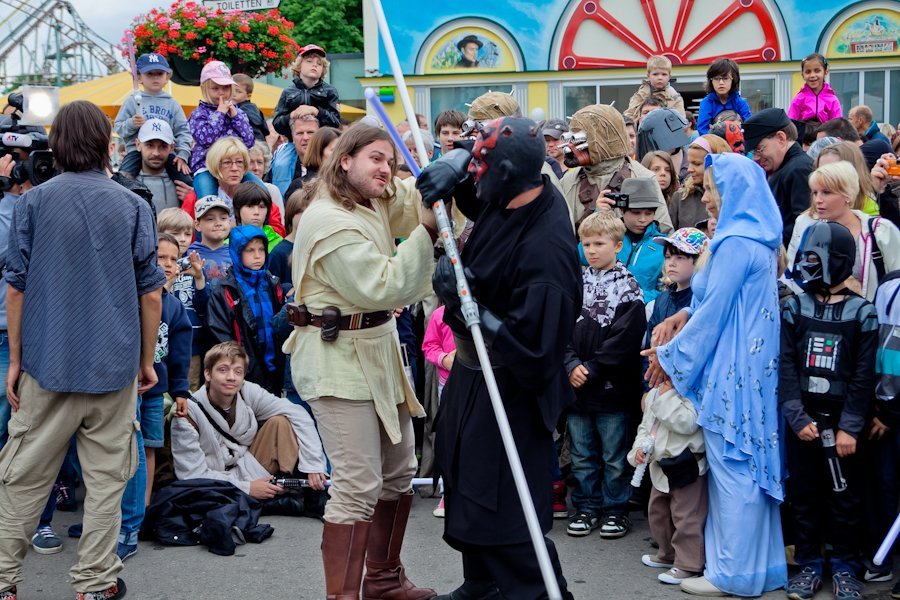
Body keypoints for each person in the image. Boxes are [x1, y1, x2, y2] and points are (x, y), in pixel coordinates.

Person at [0, 100, 166, 600]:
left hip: (47, 363)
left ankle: (3, 581)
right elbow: (151, 293)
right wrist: (144, 361)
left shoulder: (32, 202)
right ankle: (94, 583)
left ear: (57, 144)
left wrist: (17, 359)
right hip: (113, 365)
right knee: (107, 482)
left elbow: (16, 288)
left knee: (22, 479)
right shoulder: (133, 204)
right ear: (104, 144)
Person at [418, 115, 579, 600]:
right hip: (473, 371)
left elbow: (537, 350)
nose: (474, 177)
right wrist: (456, 160)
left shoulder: (546, 250)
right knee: (466, 477)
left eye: (481, 167)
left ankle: (537, 591)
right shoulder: (512, 193)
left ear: (507, 173)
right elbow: (480, 189)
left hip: (511, 381)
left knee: (503, 498)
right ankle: (483, 582)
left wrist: (466, 305)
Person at [283, 125, 438, 599]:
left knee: (397, 473)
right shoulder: (327, 219)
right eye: (375, 158)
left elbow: (408, 200)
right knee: (357, 484)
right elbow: (383, 285)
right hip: (337, 359)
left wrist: (440, 180)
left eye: (390, 160)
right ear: (345, 159)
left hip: (379, 350)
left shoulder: (367, 199)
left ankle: (384, 581)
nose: (385, 169)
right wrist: (430, 228)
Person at [643, 153, 787, 597]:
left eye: (710, 189)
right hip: (748, 363)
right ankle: (758, 567)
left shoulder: (734, 243)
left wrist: (669, 358)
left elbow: (715, 314)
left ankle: (731, 574)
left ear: (732, 193)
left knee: (733, 468)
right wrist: (682, 314)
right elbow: (711, 304)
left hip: (733, 366)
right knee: (747, 466)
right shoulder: (754, 239)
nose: (704, 197)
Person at [780, 220, 877, 600]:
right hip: (803, 422)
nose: (807, 266)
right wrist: (796, 415)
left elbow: (864, 376)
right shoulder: (795, 308)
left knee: (845, 498)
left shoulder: (862, 313)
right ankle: (808, 564)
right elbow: (786, 365)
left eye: (814, 258)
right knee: (803, 494)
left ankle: (845, 567)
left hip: (843, 427)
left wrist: (850, 427)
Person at [564, 211, 646, 540]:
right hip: (577, 389)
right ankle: (587, 506)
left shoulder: (629, 288)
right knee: (582, 454)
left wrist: (593, 369)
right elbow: (560, 327)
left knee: (614, 455)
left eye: (599, 243)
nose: (592, 250)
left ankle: (616, 508)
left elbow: (625, 339)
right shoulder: (574, 283)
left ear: (618, 245)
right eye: (586, 244)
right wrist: (570, 364)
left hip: (612, 388)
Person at [115, 233, 193, 562]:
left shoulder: (174, 308)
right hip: (125, 389)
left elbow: (180, 356)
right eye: (161, 257)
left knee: (148, 448)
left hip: (155, 391)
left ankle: (142, 513)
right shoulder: (130, 299)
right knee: (119, 450)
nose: (167, 264)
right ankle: (111, 517)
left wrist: (181, 391)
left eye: (173, 259)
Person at [171, 341, 327, 501]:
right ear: (208, 374)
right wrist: (247, 488)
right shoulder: (188, 412)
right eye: (223, 370)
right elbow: (191, 475)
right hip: (214, 485)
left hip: (249, 466)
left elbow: (297, 413)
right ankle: (269, 496)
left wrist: (313, 465)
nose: (231, 377)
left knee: (280, 422)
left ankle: (287, 485)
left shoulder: (247, 391)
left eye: (238, 372)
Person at [628, 378, 708, 586]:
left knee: (686, 517)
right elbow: (645, 427)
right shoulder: (654, 392)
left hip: (686, 464)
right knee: (658, 512)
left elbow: (687, 423)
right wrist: (638, 450)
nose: (651, 368)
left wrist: (666, 394)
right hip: (659, 465)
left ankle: (689, 563)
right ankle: (667, 553)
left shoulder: (692, 389)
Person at [786, 161, 900, 301]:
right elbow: (791, 276)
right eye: (814, 192)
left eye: (826, 192)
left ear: (848, 195)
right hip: (815, 313)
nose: (818, 200)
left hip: (870, 312)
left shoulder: (880, 230)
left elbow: (897, 283)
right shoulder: (805, 224)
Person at [560, 104, 672, 233]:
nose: (573, 146)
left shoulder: (643, 177)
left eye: (582, 139)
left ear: (606, 138)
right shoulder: (568, 182)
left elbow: (663, 232)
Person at [207, 225, 285, 395]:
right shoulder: (226, 290)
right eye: (250, 250)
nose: (257, 256)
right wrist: (239, 366)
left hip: (275, 367)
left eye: (261, 249)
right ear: (237, 253)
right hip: (245, 371)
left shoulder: (272, 284)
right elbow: (221, 335)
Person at [113, 53, 192, 182]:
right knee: (123, 181)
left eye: (159, 73)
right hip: (136, 152)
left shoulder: (172, 103)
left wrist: (183, 154)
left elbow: (183, 131)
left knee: (187, 181)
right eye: (149, 74)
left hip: (166, 152)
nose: (155, 77)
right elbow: (118, 128)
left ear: (167, 77)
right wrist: (132, 123)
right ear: (138, 77)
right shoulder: (131, 101)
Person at [182, 137, 285, 235]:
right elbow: (184, 231)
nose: (235, 168)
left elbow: (278, 231)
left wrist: (247, 230)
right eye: (227, 162)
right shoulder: (196, 198)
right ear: (215, 165)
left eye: (239, 162)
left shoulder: (257, 194)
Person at [743, 107, 814, 245]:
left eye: (759, 149)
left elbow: (803, 227)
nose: (755, 158)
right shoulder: (785, 167)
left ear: (781, 138)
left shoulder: (799, 169)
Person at [157, 207, 209, 393]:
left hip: (191, 344)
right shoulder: (156, 266)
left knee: (188, 390)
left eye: (187, 234)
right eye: (175, 233)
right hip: (160, 342)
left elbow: (204, 307)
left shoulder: (194, 264)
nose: (182, 239)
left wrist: (199, 278)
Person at [188, 61, 258, 198]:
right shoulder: (198, 114)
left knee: (261, 191)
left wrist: (236, 117)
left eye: (225, 88)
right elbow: (206, 139)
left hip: (235, 168)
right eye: (215, 88)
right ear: (204, 89)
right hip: (206, 167)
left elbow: (249, 141)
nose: (221, 93)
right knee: (208, 199)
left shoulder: (238, 112)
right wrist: (219, 114)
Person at [645, 228, 709, 350]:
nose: (671, 263)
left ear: (700, 261)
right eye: (668, 257)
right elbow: (649, 347)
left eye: (680, 257)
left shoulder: (703, 301)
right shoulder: (661, 300)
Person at [615, 177, 668, 304]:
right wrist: (599, 215)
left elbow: (666, 290)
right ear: (622, 210)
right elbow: (583, 257)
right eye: (636, 212)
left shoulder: (664, 246)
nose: (642, 219)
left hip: (643, 312)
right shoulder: (609, 236)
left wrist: (634, 298)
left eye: (648, 213)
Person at [272, 44, 341, 138]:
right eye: (309, 61)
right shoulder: (288, 92)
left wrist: (316, 111)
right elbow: (277, 124)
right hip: (294, 142)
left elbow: (336, 123)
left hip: (321, 142)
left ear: (323, 70)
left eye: (319, 64)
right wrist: (292, 115)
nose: (315, 65)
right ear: (299, 66)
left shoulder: (330, 91)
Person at [668, 135, 731, 230]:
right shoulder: (681, 198)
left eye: (697, 164)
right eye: (689, 163)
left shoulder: (732, 198)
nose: (689, 169)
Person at [134, 119, 194, 214]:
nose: (156, 153)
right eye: (150, 145)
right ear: (138, 145)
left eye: (163, 146)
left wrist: (193, 199)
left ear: (172, 147)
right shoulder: (127, 184)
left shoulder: (183, 185)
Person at [814, 141, 881, 216]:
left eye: (834, 171)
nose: (825, 177)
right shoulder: (807, 218)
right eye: (820, 171)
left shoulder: (870, 215)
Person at [696, 58, 752, 134]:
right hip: (714, 140)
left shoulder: (740, 102)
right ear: (711, 81)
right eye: (716, 78)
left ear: (733, 80)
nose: (721, 82)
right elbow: (703, 130)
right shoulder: (707, 103)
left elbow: (749, 127)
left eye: (725, 78)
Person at [624, 55, 685, 120]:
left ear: (669, 77)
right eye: (655, 74)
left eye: (664, 74)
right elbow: (628, 117)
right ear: (648, 76)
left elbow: (682, 121)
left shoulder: (675, 98)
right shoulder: (640, 95)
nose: (660, 78)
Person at [271, 115, 321, 195]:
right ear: (293, 138)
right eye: (300, 133)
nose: (305, 137)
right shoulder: (279, 167)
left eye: (310, 132)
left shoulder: (329, 166)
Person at [188, 196, 234, 283]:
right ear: (197, 225)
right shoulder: (190, 254)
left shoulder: (236, 253)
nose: (218, 223)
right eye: (210, 219)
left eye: (223, 218)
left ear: (229, 222)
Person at [787, 53, 842, 123]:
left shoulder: (833, 100)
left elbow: (838, 125)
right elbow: (790, 124)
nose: (812, 75)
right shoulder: (798, 99)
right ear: (802, 75)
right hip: (803, 130)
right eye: (808, 72)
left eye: (817, 71)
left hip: (826, 130)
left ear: (825, 72)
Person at [232, 182, 283, 252]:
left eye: (261, 207)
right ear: (238, 209)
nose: (256, 212)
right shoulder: (227, 246)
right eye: (250, 206)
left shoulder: (280, 244)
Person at [247, 140, 286, 223]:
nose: (256, 168)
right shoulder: (235, 189)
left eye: (260, 162)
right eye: (251, 162)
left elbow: (279, 224)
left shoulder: (272, 190)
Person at [232, 73, 271, 142]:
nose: (233, 94)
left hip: (255, 145)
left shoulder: (245, 110)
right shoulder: (251, 108)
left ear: (248, 96)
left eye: (238, 91)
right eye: (231, 90)